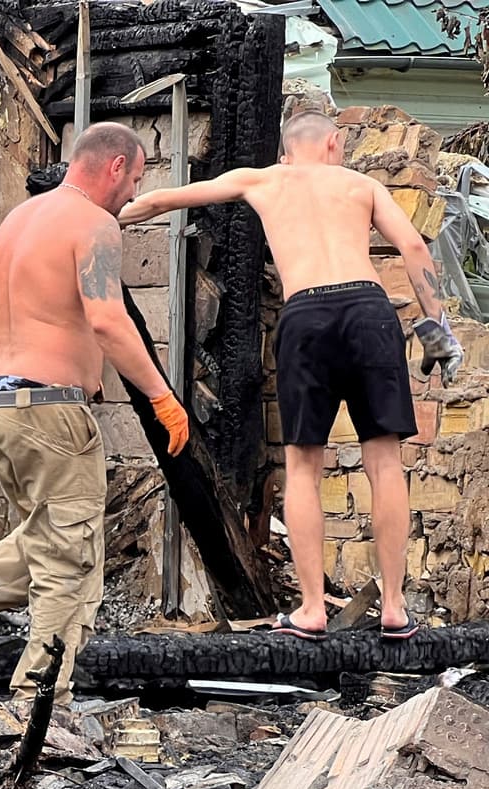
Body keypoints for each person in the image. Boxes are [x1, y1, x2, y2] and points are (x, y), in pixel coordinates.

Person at [119, 109, 462, 640]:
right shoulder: (360, 184)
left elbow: (167, 199)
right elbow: (414, 247)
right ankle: (394, 607)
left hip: (307, 316)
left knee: (304, 465)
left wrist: (110, 215)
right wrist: (437, 326)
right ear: (334, 142)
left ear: (285, 151)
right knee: (386, 460)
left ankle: (310, 610)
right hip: (369, 311)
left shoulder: (264, 179)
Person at [0, 123, 189, 702]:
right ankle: (39, 704)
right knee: (71, 559)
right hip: (50, 411)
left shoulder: (21, 217)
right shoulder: (94, 223)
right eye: (136, 179)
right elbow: (108, 321)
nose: (132, 194)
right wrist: (162, 397)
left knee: (52, 541)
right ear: (115, 166)